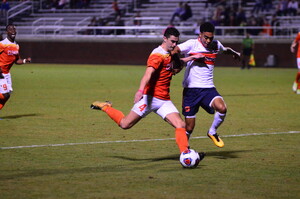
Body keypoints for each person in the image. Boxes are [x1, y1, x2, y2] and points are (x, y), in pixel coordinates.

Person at [90, 27, 205, 160]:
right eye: (172, 41)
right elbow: (148, 74)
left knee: (181, 125)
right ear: (165, 38)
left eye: (176, 42)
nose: (174, 45)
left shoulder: (170, 53)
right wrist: (140, 91)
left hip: (164, 101)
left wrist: (192, 57)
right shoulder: (157, 55)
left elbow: (174, 64)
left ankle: (186, 154)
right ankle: (105, 106)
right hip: (149, 99)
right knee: (125, 124)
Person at [172, 22, 240, 148]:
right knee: (189, 127)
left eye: (211, 38)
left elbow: (225, 50)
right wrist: (181, 63)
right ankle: (184, 151)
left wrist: (235, 53)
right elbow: (174, 51)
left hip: (208, 89)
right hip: (191, 91)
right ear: (200, 34)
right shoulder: (192, 44)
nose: (208, 41)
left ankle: (212, 132)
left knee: (222, 108)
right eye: (206, 37)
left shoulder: (215, 45)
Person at [0, 24, 31, 110]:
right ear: (7, 32)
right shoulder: (2, 44)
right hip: (0, 73)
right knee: (4, 94)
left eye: (14, 29)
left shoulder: (16, 46)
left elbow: (17, 60)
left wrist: (25, 61)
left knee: (7, 95)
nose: (13, 30)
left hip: (7, 73)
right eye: (10, 29)